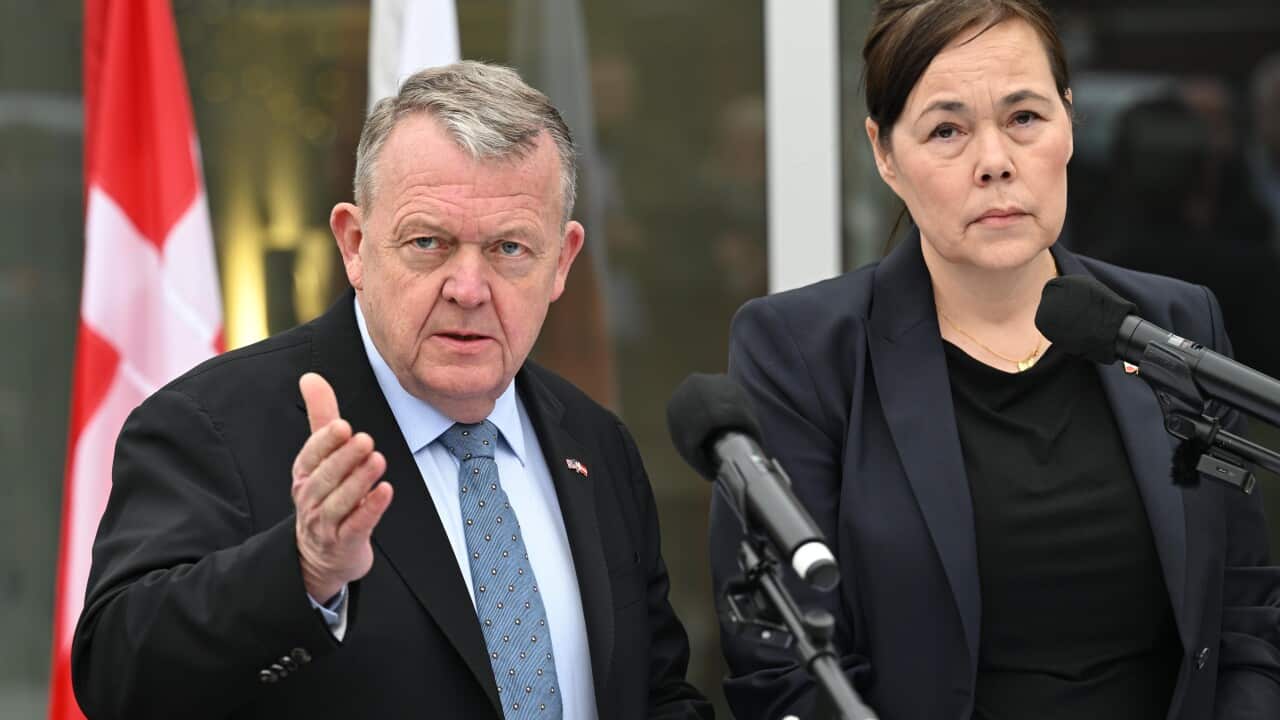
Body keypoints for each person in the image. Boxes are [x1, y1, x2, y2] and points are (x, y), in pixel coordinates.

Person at [72, 61, 713, 720]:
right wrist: (303, 569)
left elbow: (652, 692)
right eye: (429, 243)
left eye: (509, 249)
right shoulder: (214, 424)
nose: (468, 288)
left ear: (562, 262)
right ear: (354, 244)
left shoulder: (596, 443)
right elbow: (118, 676)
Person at [709, 2, 1280, 719]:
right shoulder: (801, 354)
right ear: (885, 153)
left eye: (1025, 118)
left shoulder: (1174, 324)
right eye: (946, 130)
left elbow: (1246, 611)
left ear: (1068, 122)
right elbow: (785, 665)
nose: (995, 162)